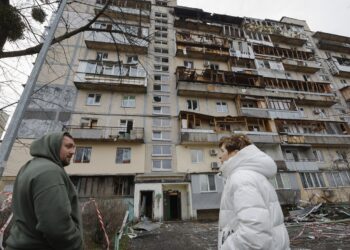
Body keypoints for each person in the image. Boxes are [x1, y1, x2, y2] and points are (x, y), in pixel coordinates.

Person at [6, 132, 83, 250]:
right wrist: (76, 245)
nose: (73, 152)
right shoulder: (50, 172)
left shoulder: (29, 167)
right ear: (54, 146)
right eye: (68, 146)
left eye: (74, 147)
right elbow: (56, 226)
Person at [218, 134, 290, 250]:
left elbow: (254, 236)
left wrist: (226, 247)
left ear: (235, 153)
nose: (219, 156)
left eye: (222, 151)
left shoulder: (241, 178)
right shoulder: (253, 175)